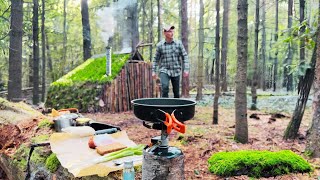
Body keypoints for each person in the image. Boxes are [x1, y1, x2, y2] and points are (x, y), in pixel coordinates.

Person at [152, 25, 189, 98]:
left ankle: (176, 108)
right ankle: (165, 106)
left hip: (176, 70)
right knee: (165, 87)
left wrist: (186, 69)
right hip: (164, 70)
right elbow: (155, 59)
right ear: (165, 33)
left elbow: (185, 56)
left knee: (176, 92)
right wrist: (153, 71)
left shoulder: (178, 43)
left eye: (172, 31)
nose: (171, 33)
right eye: (169, 31)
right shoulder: (160, 45)